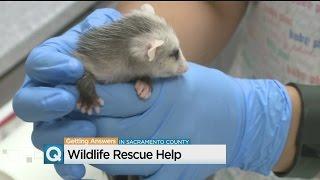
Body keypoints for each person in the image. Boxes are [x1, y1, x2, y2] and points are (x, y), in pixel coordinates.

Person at [12, 2, 319, 180]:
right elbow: (211, 4)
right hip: (218, 163)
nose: (184, 67)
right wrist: (127, 46)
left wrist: (277, 126)